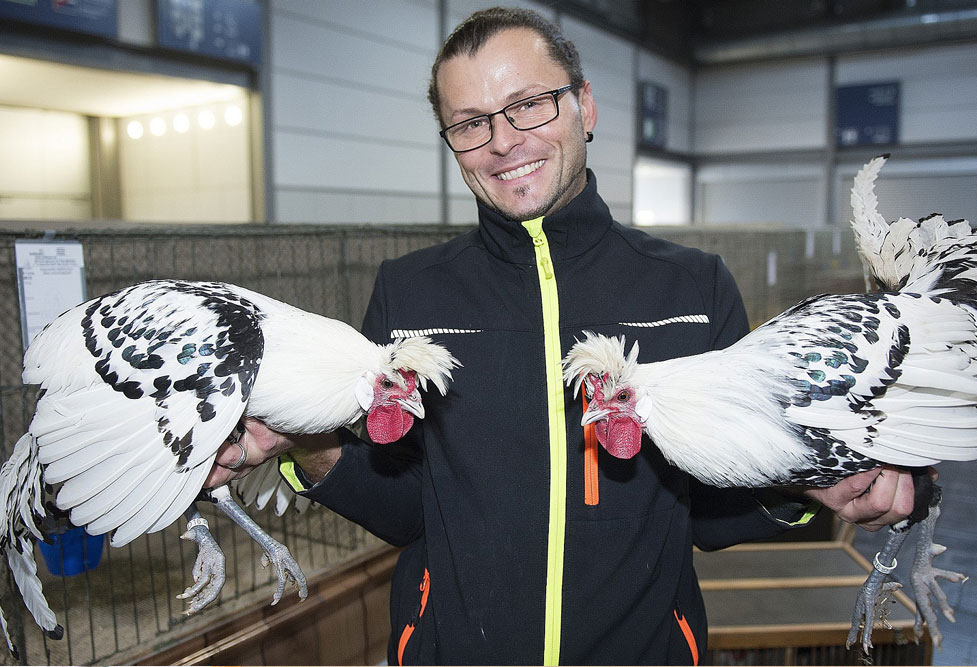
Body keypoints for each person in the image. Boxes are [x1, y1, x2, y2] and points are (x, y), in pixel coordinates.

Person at [205, 7, 918, 664]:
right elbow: (406, 505)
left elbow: (709, 514)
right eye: (470, 122)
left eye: (527, 105)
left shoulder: (691, 289)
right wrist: (316, 441)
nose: (502, 141)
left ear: (585, 105)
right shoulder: (409, 291)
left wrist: (807, 480)